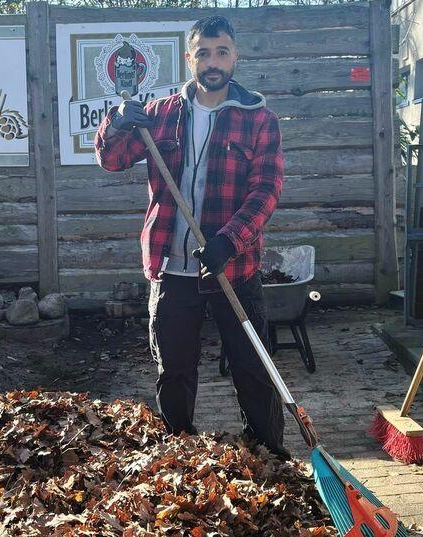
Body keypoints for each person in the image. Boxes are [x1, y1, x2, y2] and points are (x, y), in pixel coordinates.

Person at [94, 16, 287, 458]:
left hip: (234, 268)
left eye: (221, 52)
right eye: (203, 53)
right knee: (174, 371)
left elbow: (266, 190)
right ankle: (180, 461)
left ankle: (269, 457)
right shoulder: (159, 116)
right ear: (189, 58)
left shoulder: (259, 119)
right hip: (172, 268)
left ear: (235, 57)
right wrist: (116, 121)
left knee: (253, 370)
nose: (212, 62)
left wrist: (229, 240)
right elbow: (111, 159)